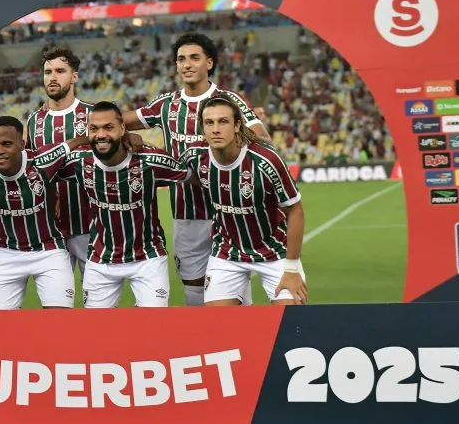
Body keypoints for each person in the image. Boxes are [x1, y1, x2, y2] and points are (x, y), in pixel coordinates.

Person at [123, 32, 270, 307]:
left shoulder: (228, 101)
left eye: (194, 58)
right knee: (193, 289)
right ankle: (204, 344)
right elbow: (118, 121)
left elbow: (263, 140)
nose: (187, 64)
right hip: (186, 213)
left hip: (229, 211)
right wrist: (126, 135)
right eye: (181, 59)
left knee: (233, 289)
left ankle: (244, 345)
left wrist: (234, 144)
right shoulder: (166, 105)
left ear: (209, 63)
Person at [57, 102, 193, 308]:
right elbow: (40, 167)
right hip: (101, 259)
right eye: (94, 129)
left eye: (108, 127)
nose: (101, 134)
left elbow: (196, 177)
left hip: (148, 259)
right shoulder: (79, 161)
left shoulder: (151, 160)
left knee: (153, 330)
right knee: (96, 333)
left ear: (123, 129)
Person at [0, 116, 87, 309]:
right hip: (5, 253)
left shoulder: (42, 160)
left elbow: (74, 143)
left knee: (58, 320)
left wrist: (127, 138)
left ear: (22, 144)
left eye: (6, 144)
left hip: (49, 250)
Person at [182, 96, 307, 306]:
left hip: (275, 253)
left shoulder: (266, 161)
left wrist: (292, 268)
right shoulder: (194, 156)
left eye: (223, 121)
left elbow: (295, 210)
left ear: (237, 125)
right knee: (218, 331)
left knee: (292, 324)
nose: (215, 129)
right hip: (227, 253)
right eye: (209, 123)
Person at [24, 46, 93, 279]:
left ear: (74, 76)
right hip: (51, 231)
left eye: (60, 71)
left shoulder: (93, 116)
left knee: (98, 303)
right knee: (56, 305)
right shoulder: (34, 121)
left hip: (91, 225)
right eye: (47, 72)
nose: (52, 77)